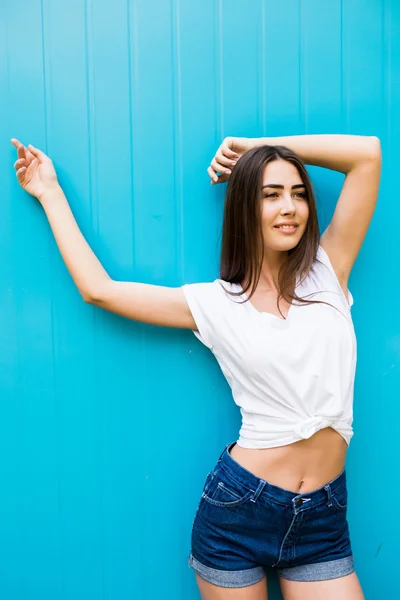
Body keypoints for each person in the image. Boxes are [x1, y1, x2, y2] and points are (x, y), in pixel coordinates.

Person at [11, 133, 381, 600]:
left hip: (323, 517)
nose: (289, 207)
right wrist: (49, 192)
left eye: (298, 193)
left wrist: (258, 147)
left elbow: (368, 155)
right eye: (270, 195)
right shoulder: (216, 303)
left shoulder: (329, 271)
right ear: (245, 207)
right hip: (239, 511)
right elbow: (99, 289)